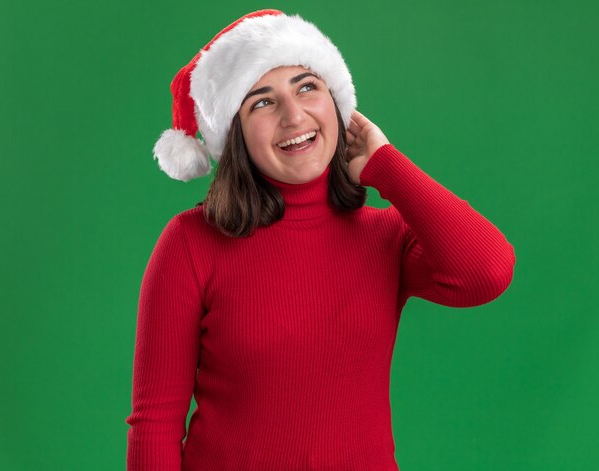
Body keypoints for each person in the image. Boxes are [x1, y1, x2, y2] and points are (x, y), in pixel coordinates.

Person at [125, 9, 516, 471]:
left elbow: (486, 272)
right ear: (235, 135)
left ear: (338, 104)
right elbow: (156, 423)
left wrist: (387, 166)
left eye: (307, 86)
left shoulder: (383, 235)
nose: (294, 116)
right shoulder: (191, 243)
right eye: (262, 102)